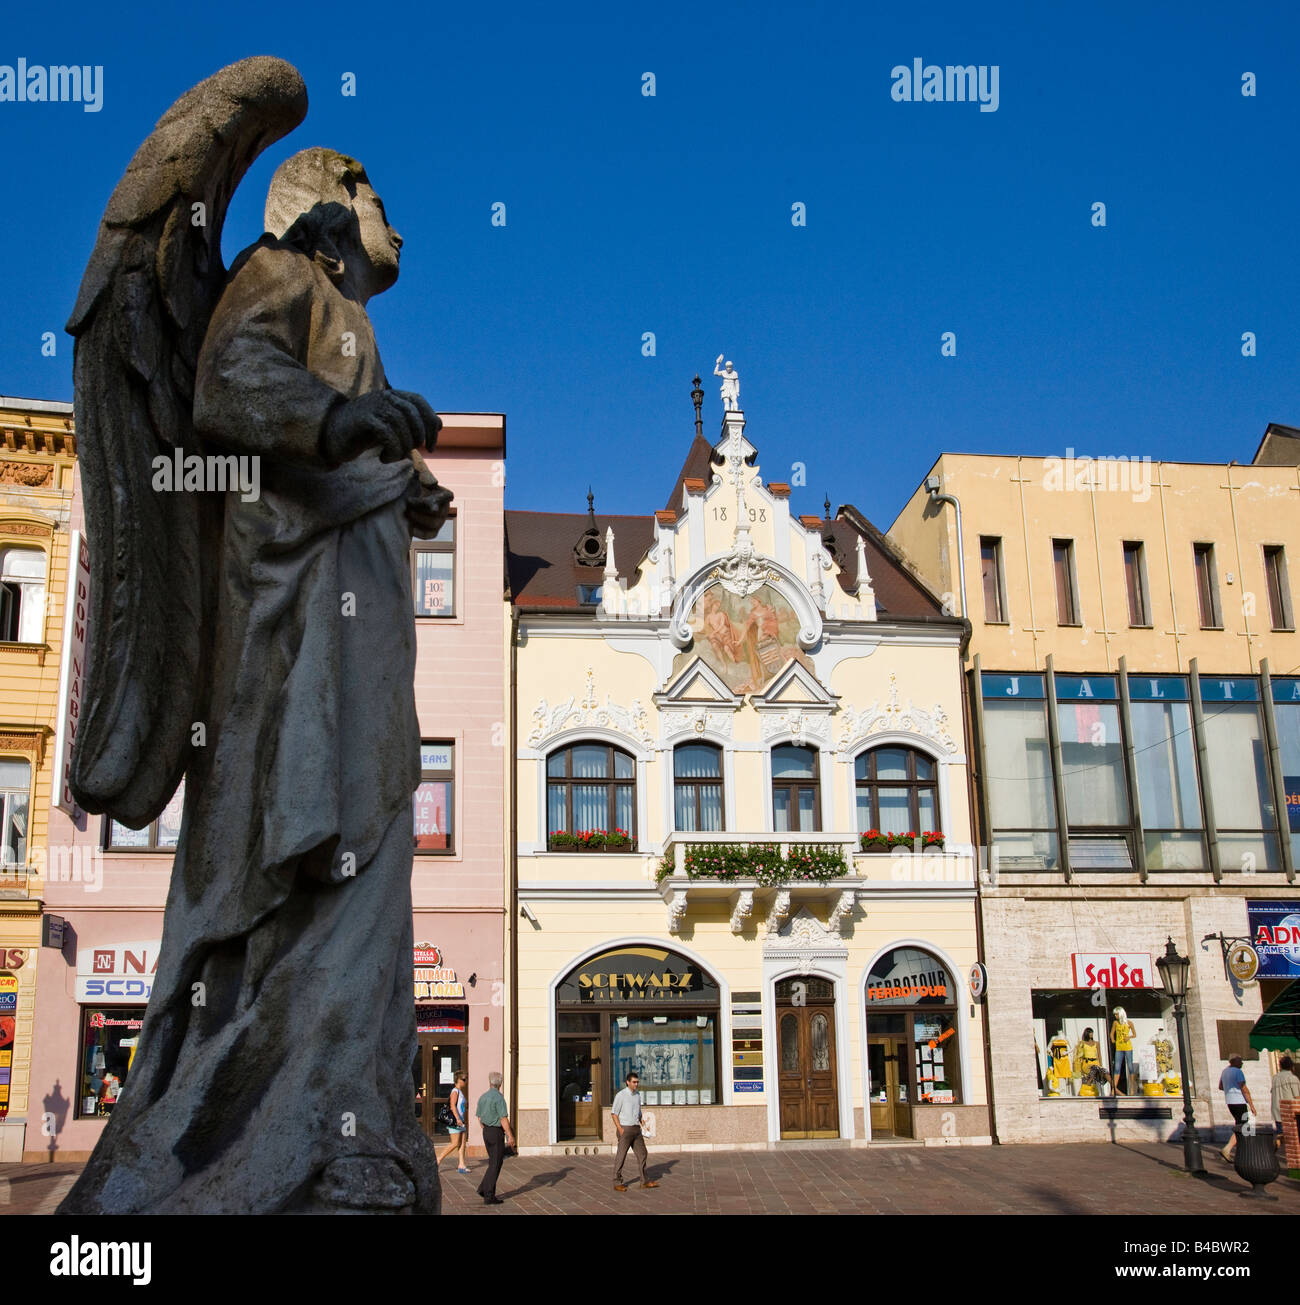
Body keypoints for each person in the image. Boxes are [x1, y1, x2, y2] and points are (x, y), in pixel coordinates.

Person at [610, 1071, 659, 1191]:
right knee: (621, 1156)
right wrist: (620, 1129)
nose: (636, 1084)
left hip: (636, 1129)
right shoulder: (620, 1095)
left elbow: (639, 1112)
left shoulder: (637, 1095)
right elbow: (614, 1113)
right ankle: (617, 1182)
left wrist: (643, 1124)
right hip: (625, 1129)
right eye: (634, 1082)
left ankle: (644, 1181)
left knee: (643, 1153)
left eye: (637, 1082)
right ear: (628, 1082)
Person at [475, 1071, 515, 1205]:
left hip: (486, 1131)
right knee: (496, 1163)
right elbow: (503, 1118)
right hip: (496, 1132)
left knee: (493, 1161)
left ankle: (483, 1188)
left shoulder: (483, 1097)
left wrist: (487, 1129)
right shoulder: (499, 1098)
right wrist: (510, 1135)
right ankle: (489, 1195)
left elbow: (479, 1118)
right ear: (500, 1083)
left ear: (489, 1082)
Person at [1219, 1053, 1257, 1162]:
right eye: (1240, 1060)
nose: (1242, 1062)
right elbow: (1244, 1089)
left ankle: (1238, 1150)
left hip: (1230, 1102)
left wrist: (1229, 1089)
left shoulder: (1225, 1071)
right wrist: (1252, 1105)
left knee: (1240, 1124)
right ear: (1234, 1061)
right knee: (1243, 1127)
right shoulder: (1238, 1072)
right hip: (1239, 1102)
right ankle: (1229, 1149)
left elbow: (1220, 1086)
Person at [436, 1071, 470, 1174]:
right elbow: (452, 1105)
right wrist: (457, 1119)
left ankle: (461, 1165)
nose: (466, 1081)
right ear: (458, 1080)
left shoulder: (460, 1091)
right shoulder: (455, 1091)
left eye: (466, 1079)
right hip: (456, 1121)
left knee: (462, 1143)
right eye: (464, 1079)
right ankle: (438, 1159)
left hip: (461, 1120)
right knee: (455, 1143)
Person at [1269, 1054, 1299, 1149]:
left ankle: (1277, 1142)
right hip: (1289, 1110)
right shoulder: (1293, 1078)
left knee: (1281, 1131)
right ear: (1292, 1066)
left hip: (1276, 1109)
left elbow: (1272, 1091)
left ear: (1280, 1066)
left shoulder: (1275, 1078)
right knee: (1292, 1135)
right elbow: (1297, 1096)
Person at [1109, 1008, 1136, 1095]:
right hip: (1119, 1048)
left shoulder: (1129, 1023)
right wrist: (1113, 1040)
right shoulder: (1115, 1023)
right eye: (1115, 1014)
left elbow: (1134, 1034)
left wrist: (1129, 1037)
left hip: (1128, 1047)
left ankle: (1132, 1088)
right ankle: (1114, 1089)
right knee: (1117, 1068)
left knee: (1130, 1067)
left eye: (1117, 1014)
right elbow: (1111, 1033)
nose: (1115, 1016)